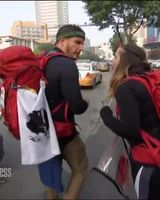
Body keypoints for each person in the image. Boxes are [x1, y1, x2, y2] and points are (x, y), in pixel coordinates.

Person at [100, 43, 160, 200]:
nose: (112, 60)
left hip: (149, 158)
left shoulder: (127, 87)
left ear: (124, 60)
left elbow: (131, 130)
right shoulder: (149, 78)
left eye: (116, 56)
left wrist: (106, 116)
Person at [42, 24, 89, 200]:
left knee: (52, 172)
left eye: (82, 44)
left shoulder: (43, 59)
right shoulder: (66, 65)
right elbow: (77, 106)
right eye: (77, 42)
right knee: (81, 168)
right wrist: (86, 103)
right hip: (63, 133)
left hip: (42, 131)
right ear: (62, 41)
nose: (81, 48)